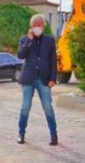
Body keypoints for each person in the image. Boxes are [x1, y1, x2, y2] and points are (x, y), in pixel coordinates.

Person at [16, 14, 58, 146]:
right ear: (31, 27)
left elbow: (53, 61)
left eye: (39, 25)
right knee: (25, 107)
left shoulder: (50, 40)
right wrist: (29, 40)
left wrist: (53, 78)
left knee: (47, 107)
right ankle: (21, 133)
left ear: (43, 26)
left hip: (44, 79)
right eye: (34, 25)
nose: (37, 27)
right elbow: (21, 55)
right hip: (28, 78)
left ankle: (53, 135)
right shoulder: (25, 39)